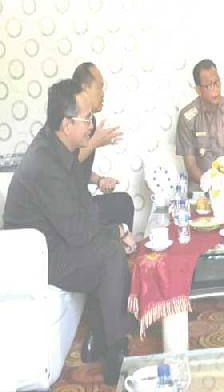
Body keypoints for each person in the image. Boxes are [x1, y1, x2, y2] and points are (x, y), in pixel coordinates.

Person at [2, 79, 134, 385]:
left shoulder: (59, 146)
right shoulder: (45, 165)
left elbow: (82, 205)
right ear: (66, 124)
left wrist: (110, 228)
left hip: (56, 238)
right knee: (110, 255)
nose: (91, 125)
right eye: (86, 119)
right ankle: (115, 354)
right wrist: (117, 231)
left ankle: (101, 336)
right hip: (37, 259)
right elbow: (77, 231)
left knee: (109, 235)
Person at [71, 62, 134, 231]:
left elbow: (78, 169)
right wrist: (95, 142)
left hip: (82, 200)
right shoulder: (71, 120)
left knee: (123, 203)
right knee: (121, 206)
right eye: (99, 87)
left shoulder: (90, 121)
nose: (103, 93)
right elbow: (64, 163)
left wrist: (99, 180)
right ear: (84, 88)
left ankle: (121, 244)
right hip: (67, 207)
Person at [176, 59, 224, 192]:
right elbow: (191, 165)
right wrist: (211, 185)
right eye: (209, 85)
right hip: (201, 185)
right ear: (198, 90)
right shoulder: (187, 117)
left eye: (217, 83)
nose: (215, 89)